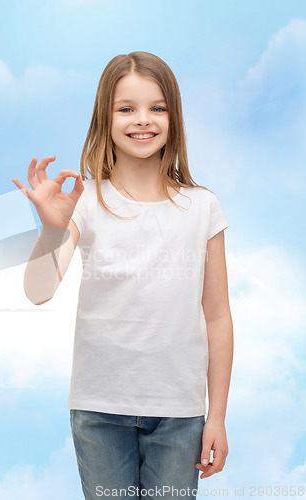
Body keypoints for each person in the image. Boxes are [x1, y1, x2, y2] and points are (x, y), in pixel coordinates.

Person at [12, 51, 233, 500]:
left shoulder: (203, 206)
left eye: (157, 107)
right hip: (99, 407)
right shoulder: (86, 201)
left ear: (173, 116)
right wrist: (53, 230)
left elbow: (217, 317)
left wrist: (217, 416)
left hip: (179, 412)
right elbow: (38, 291)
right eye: (126, 108)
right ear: (105, 118)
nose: (142, 120)